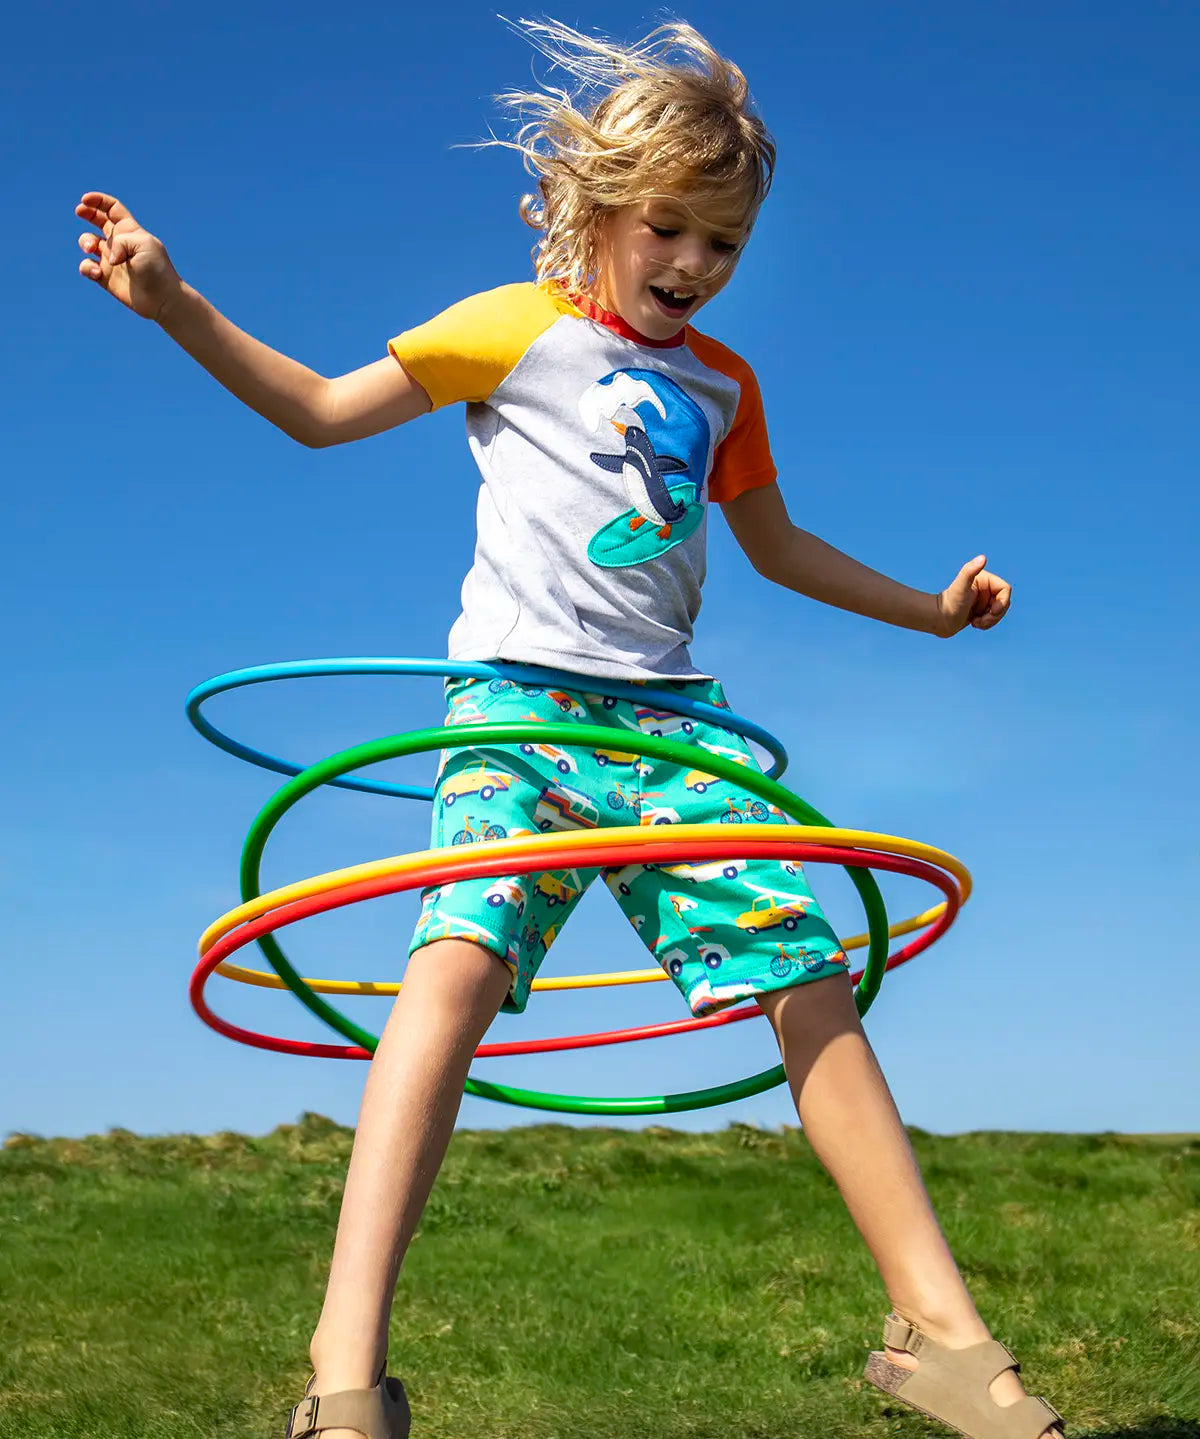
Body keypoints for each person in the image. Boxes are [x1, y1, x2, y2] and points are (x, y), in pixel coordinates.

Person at [76, 20, 1060, 1439]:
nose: (694, 267)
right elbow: (316, 411)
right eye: (670, 228)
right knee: (453, 979)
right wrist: (177, 304)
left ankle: (946, 1338)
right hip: (522, 717)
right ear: (597, 208)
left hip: (672, 734)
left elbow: (777, 551)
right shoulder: (509, 328)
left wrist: (929, 611)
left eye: (724, 246)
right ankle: (344, 1376)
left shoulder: (725, 386)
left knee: (808, 979)